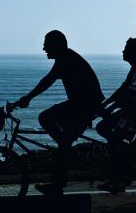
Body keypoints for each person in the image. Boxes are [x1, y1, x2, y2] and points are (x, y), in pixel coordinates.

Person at [14, 30, 104, 195]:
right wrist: (28, 98)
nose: (43, 48)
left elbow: (47, 81)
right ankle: (64, 151)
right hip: (82, 105)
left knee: (47, 119)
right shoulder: (66, 57)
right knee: (60, 136)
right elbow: (48, 80)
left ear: (56, 45)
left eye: (46, 44)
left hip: (85, 106)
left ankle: (62, 163)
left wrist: (28, 98)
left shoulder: (66, 59)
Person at [96, 38, 136, 194]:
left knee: (113, 136)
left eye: (126, 49)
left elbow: (131, 95)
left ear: (134, 53)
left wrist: (110, 109)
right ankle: (122, 160)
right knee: (105, 128)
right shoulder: (135, 68)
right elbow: (121, 91)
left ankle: (120, 175)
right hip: (131, 112)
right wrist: (105, 105)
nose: (123, 51)